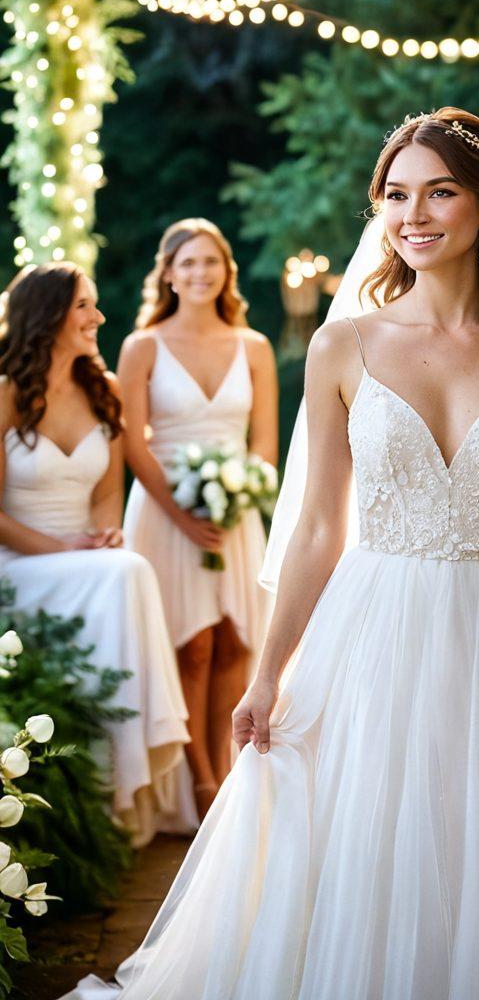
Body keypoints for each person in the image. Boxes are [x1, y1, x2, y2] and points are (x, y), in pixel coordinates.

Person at [63, 109, 479, 1000]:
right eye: (396, 195)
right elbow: (316, 529)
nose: (413, 214)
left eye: (440, 192)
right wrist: (268, 674)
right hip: (371, 630)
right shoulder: (344, 345)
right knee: (367, 845)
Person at [0, 264, 189, 847]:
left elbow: (108, 493)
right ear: (49, 313)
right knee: (126, 572)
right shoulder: (6, 389)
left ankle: (124, 778)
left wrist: (105, 534)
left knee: (125, 565)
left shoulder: (101, 388)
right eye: (85, 306)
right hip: (18, 559)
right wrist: (66, 548)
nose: (97, 318)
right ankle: (126, 771)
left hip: (86, 559)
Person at [117, 219, 277, 820]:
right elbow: (133, 444)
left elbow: (263, 442)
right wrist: (184, 518)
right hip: (164, 513)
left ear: (226, 271)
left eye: (211, 262)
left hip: (234, 517)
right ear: (167, 273)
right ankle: (198, 783)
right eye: (187, 263)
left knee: (236, 643)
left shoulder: (254, 346)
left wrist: (240, 496)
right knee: (191, 647)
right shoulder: (143, 346)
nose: (200, 273)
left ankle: (233, 775)